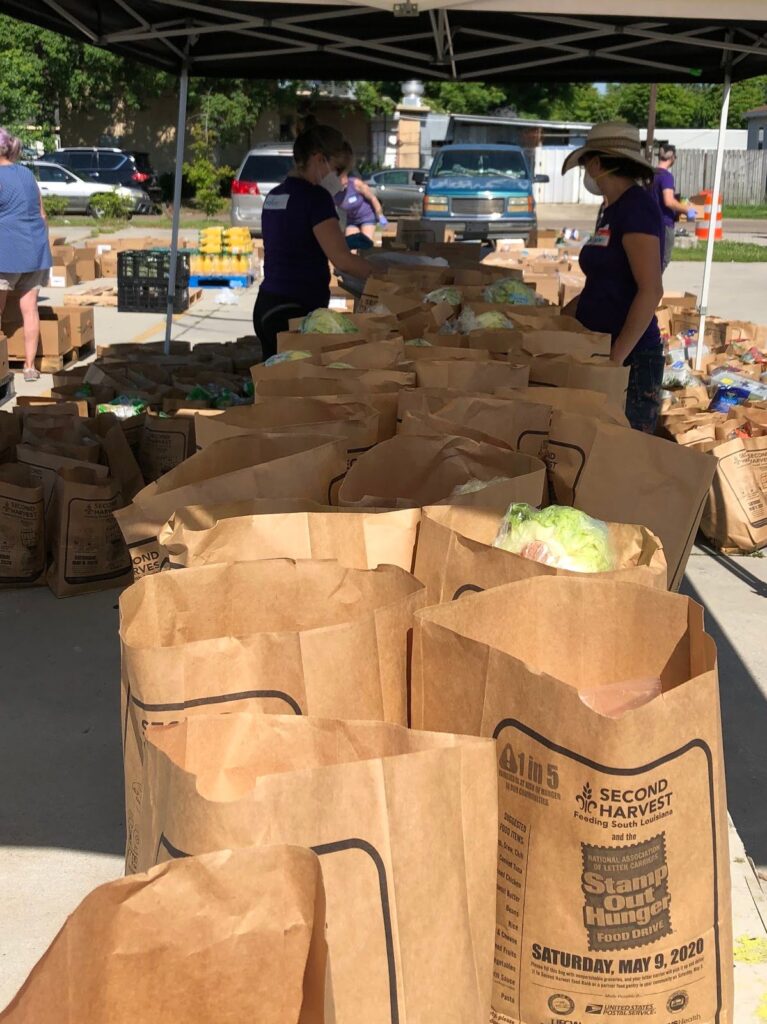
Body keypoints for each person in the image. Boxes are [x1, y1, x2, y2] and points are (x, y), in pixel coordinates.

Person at [562, 122, 664, 433]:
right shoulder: (610, 209)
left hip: (629, 361)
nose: (585, 173)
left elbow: (650, 290)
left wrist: (615, 359)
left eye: (585, 165)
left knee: (619, 457)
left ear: (596, 163)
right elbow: (603, 282)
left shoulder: (637, 208)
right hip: (599, 349)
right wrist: (556, 321)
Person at [254, 124, 374, 362]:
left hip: (267, 306)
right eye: (338, 170)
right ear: (320, 160)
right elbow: (342, 261)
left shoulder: (275, 195)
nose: (341, 179)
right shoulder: (315, 198)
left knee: (272, 390)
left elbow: (292, 240)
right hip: (294, 312)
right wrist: (391, 278)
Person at [0, 127, 52, 382]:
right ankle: (30, 367)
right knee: (29, 310)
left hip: (7, 252)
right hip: (36, 251)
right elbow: (42, 215)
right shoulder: (27, 173)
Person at [334, 143, 387, 242]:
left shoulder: (356, 184)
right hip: (352, 220)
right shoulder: (335, 194)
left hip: (367, 217)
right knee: (350, 246)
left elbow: (373, 198)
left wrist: (380, 216)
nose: (345, 182)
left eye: (345, 178)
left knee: (365, 244)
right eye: (341, 179)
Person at [653, 144, 692, 270]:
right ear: (673, 157)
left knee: (651, 260)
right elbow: (669, 201)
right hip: (664, 224)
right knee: (662, 260)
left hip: (650, 222)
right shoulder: (666, 177)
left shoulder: (651, 175)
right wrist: (687, 209)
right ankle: (652, 288)